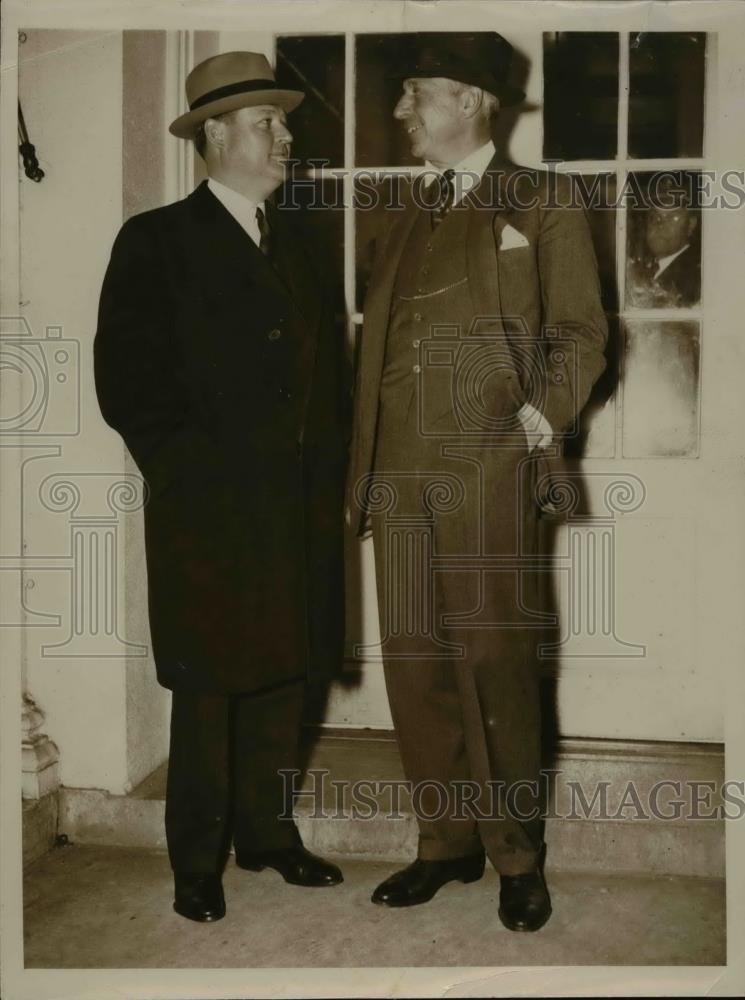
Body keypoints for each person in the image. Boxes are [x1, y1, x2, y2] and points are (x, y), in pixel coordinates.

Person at [347, 32, 608, 931]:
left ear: (467, 101)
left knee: (495, 662)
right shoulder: (402, 210)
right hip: (397, 472)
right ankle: (444, 844)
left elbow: (579, 329)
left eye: (412, 94)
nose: (399, 112)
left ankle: (516, 856)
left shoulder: (541, 197)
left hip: (488, 467)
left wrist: (540, 415)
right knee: (415, 663)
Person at [94, 51, 348, 923]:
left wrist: (332, 486)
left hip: (294, 508)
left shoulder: (305, 242)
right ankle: (195, 861)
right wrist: (187, 479)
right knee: (208, 685)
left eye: (283, 123)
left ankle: (269, 837)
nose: (284, 138)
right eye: (265, 123)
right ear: (213, 135)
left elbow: (329, 384)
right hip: (207, 510)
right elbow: (128, 383)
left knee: (284, 673)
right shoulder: (157, 239)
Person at [627, 180, 701, 307]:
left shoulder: (695, 278)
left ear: (691, 225)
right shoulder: (644, 270)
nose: (659, 224)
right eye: (653, 217)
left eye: (672, 217)